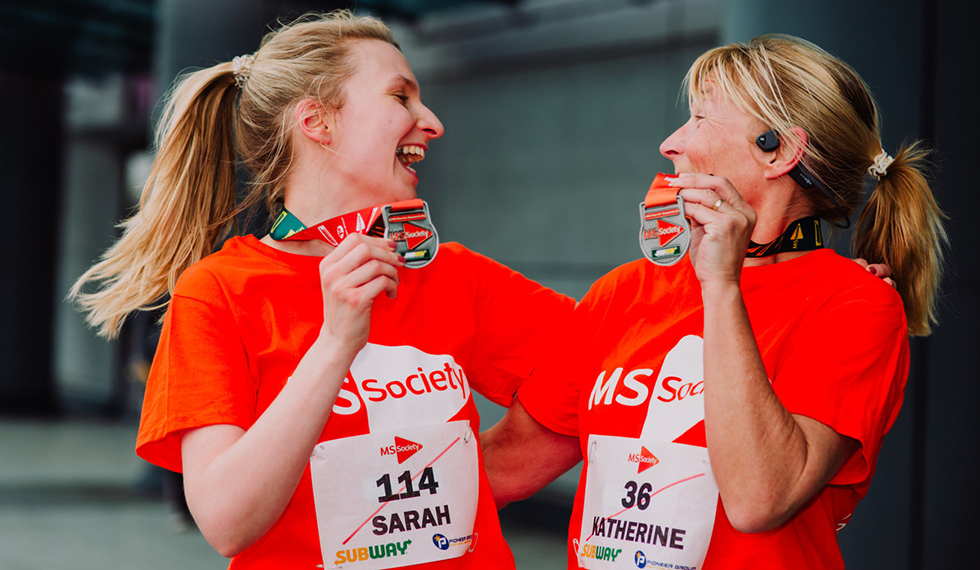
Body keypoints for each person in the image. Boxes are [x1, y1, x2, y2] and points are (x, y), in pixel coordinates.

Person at [69, 11, 574, 569]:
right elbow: (226, 522)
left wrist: (480, 476)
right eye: (400, 97)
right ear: (317, 122)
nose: (431, 121)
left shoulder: (453, 274)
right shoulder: (218, 291)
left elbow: (605, 366)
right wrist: (335, 343)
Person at [483, 34, 946, 569]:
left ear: (779, 151)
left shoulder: (858, 305)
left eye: (700, 119)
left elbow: (760, 499)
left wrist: (721, 287)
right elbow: (506, 466)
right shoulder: (625, 292)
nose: (670, 143)